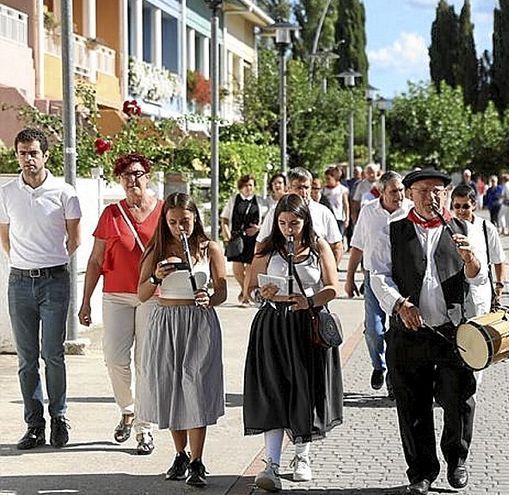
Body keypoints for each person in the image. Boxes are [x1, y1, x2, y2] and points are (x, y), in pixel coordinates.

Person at [369, 169, 485, 495]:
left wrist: (471, 260)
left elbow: (479, 278)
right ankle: (421, 471)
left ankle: (456, 458)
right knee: (412, 404)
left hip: (452, 331)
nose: (432, 197)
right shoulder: (391, 232)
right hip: (408, 332)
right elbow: (378, 276)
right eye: (424, 191)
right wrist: (399, 304)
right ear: (409, 194)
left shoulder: (464, 228)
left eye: (438, 191)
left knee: (459, 398)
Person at [243, 194, 343, 491]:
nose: (289, 229)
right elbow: (248, 290)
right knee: (272, 390)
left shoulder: (318, 246)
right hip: (273, 324)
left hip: (306, 325)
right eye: (283, 223)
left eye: (295, 223)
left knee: (305, 389)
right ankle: (271, 463)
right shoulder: (266, 249)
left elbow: (332, 288)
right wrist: (263, 293)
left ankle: (302, 456)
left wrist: (309, 300)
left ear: (305, 221)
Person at [136, 192, 227, 487]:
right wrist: (156, 278)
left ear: (195, 217)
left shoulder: (209, 247)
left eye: (185, 221)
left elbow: (223, 290)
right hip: (166, 321)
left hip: (198, 321)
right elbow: (141, 294)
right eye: (173, 222)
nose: (180, 227)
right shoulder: (157, 249)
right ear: (165, 221)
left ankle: (198, 460)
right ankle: (180, 455)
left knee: (196, 387)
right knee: (171, 385)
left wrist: (209, 296)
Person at [1, 128, 81, 450]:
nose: (28, 159)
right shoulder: (7, 192)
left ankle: (59, 418)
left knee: (53, 354)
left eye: (33, 152)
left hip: (54, 281)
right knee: (26, 358)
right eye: (22, 153)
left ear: (45, 155)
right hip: (19, 282)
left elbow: (74, 238)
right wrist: (23, 261)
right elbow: (5, 236)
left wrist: (51, 261)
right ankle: (34, 425)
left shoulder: (64, 192)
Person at [78, 152, 162, 454]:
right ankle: (127, 408)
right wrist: (85, 301)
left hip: (153, 296)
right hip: (116, 294)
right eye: (126, 175)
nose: (132, 180)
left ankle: (144, 428)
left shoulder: (163, 211)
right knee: (114, 358)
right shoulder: (111, 214)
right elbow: (96, 259)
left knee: (146, 364)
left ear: (148, 175)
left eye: (137, 173)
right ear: (120, 180)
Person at [344, 172, 412, 398]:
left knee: (397, 333)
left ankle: (394, 378)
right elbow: (358, 246)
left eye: (401, 190)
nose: (399, 195)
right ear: (381, 192)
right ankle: (379, 365)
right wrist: (350, 277)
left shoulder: (411, 211)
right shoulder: (368, 211)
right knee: (374, 330)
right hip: (373, 278)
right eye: (393, 191)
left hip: (403, 281)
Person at [257, 168, 344, 265]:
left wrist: (328, 274)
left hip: (313, 277)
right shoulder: (275, 213)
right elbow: (261, 245)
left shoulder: (323, 213)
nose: (303, 192)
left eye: (306, 187)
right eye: (298, 188)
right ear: (288, 188)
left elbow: (337, 246)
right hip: (281, 274)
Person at [450, 184, 506, 317]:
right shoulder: (448, 228)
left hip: (480, 294)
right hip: (455, 295)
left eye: (465, 206)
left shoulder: (486, 227)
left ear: (474, 205)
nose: (461, 211)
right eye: (457, 206)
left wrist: (499, 286)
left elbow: (499, 259)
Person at [221, 175, 261, 305]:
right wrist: (227, 235)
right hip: (236, 238)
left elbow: (266, 221)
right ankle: (245, 289)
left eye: (251, 185)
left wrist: (258, 228)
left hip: (253, 238)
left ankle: (245, 296)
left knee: (250, 267)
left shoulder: (260, 201)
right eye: (246, 185)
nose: (248, 188)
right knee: (237, 270)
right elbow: (225, 219)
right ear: (240, 187)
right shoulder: (234, 200)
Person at [322, 167, 350, 239]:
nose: (327, 181)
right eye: (326, 179)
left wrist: (347, 219)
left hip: (339, 218)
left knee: (338, 238)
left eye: (329, 179)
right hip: (327, 218)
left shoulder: (342, 189)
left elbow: (345, 204)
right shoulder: (323, 190)